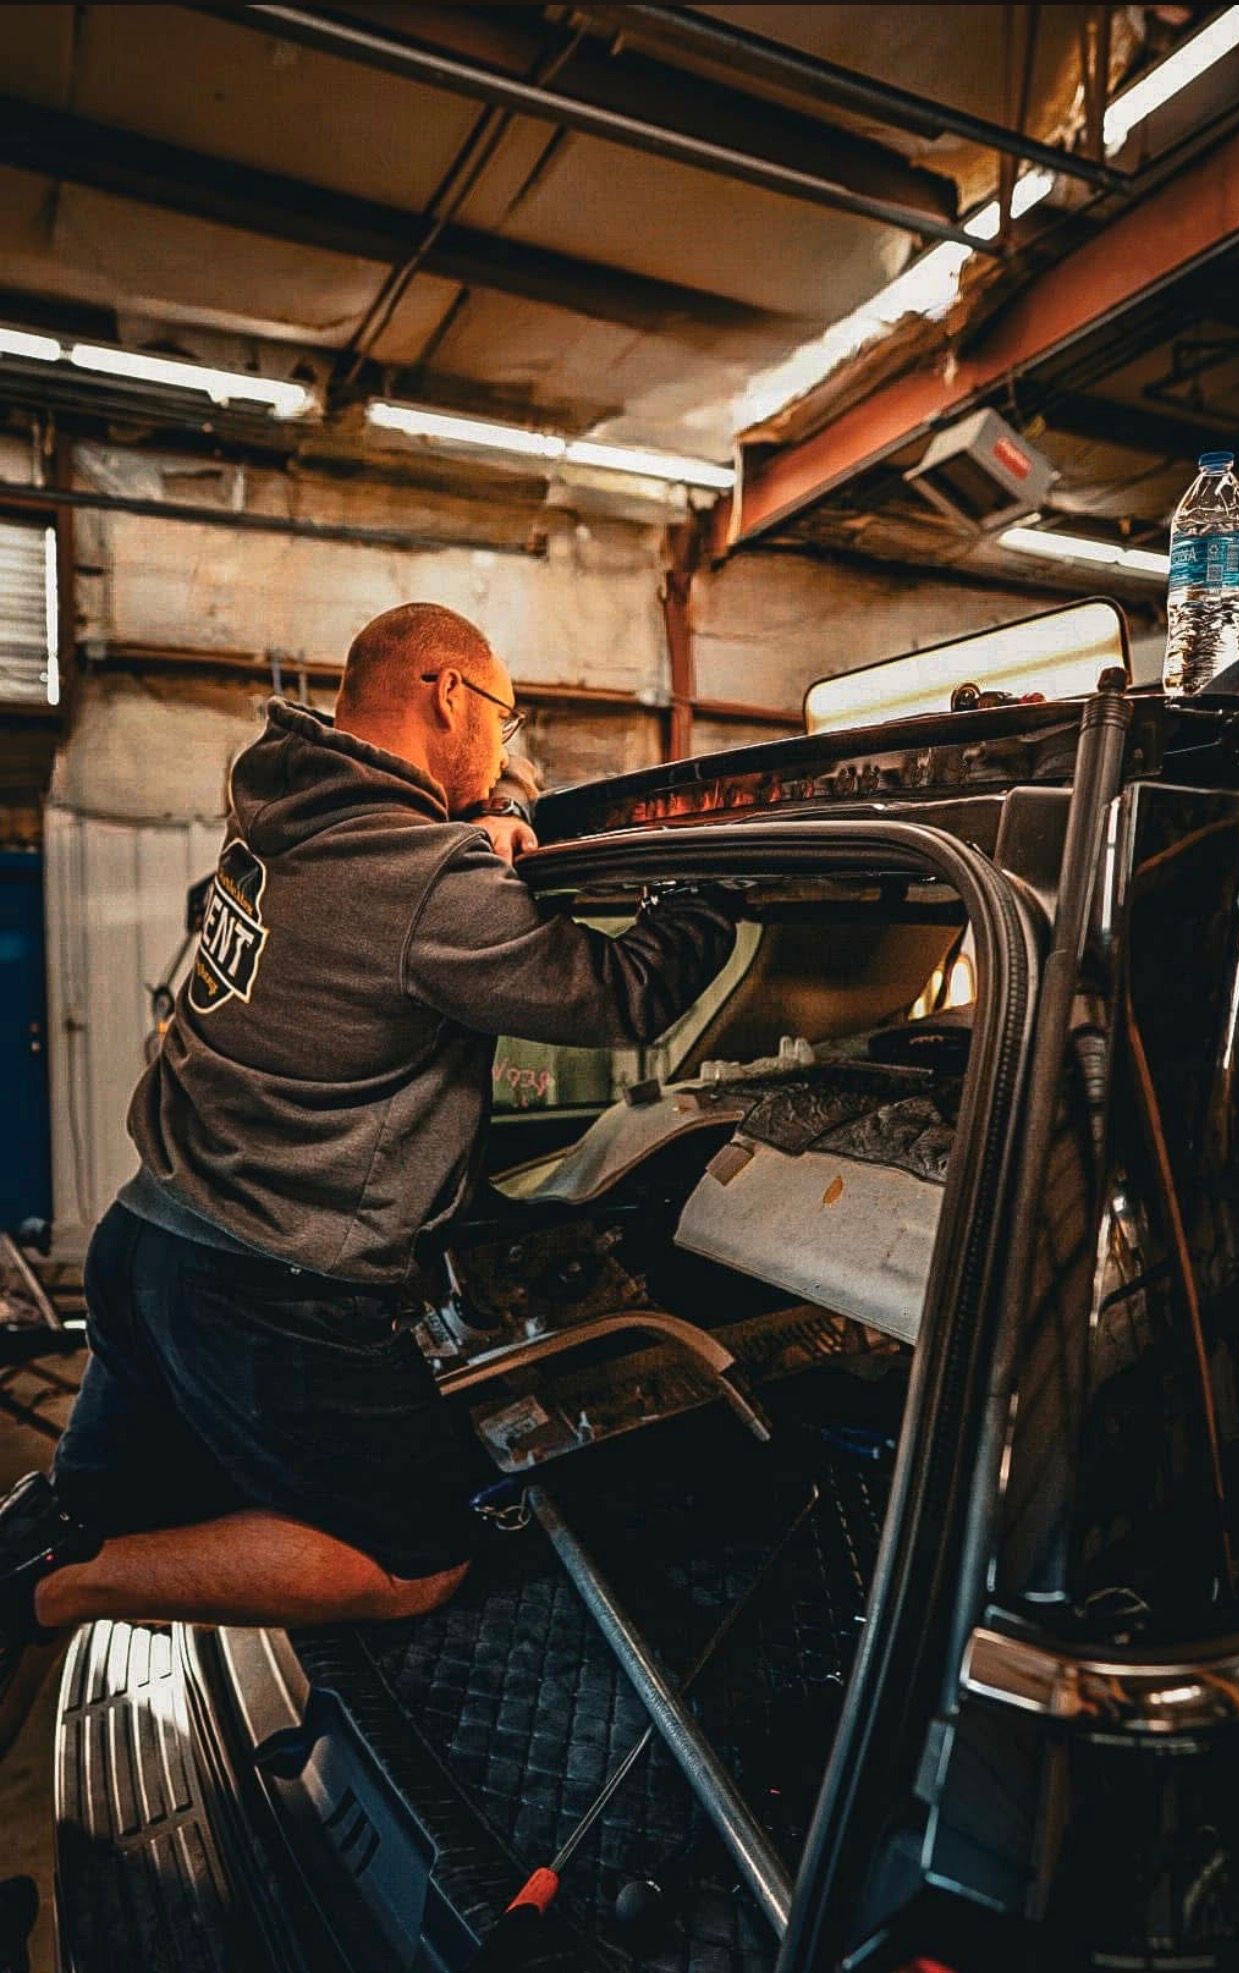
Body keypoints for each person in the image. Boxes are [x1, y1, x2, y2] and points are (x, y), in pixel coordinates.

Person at [0, 601, 735, 1715]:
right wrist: (709, 886)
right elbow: (624, 993)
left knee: (84, 1504)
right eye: (504, 713)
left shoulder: (285, 801)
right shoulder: (426, 877)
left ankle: (35, 1572)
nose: (505, 741)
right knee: (414, 1562)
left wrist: (490, 817)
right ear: (447, 693)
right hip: (269, 1290)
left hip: (148, 1237)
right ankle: (66, 1595)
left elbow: (413, 871)